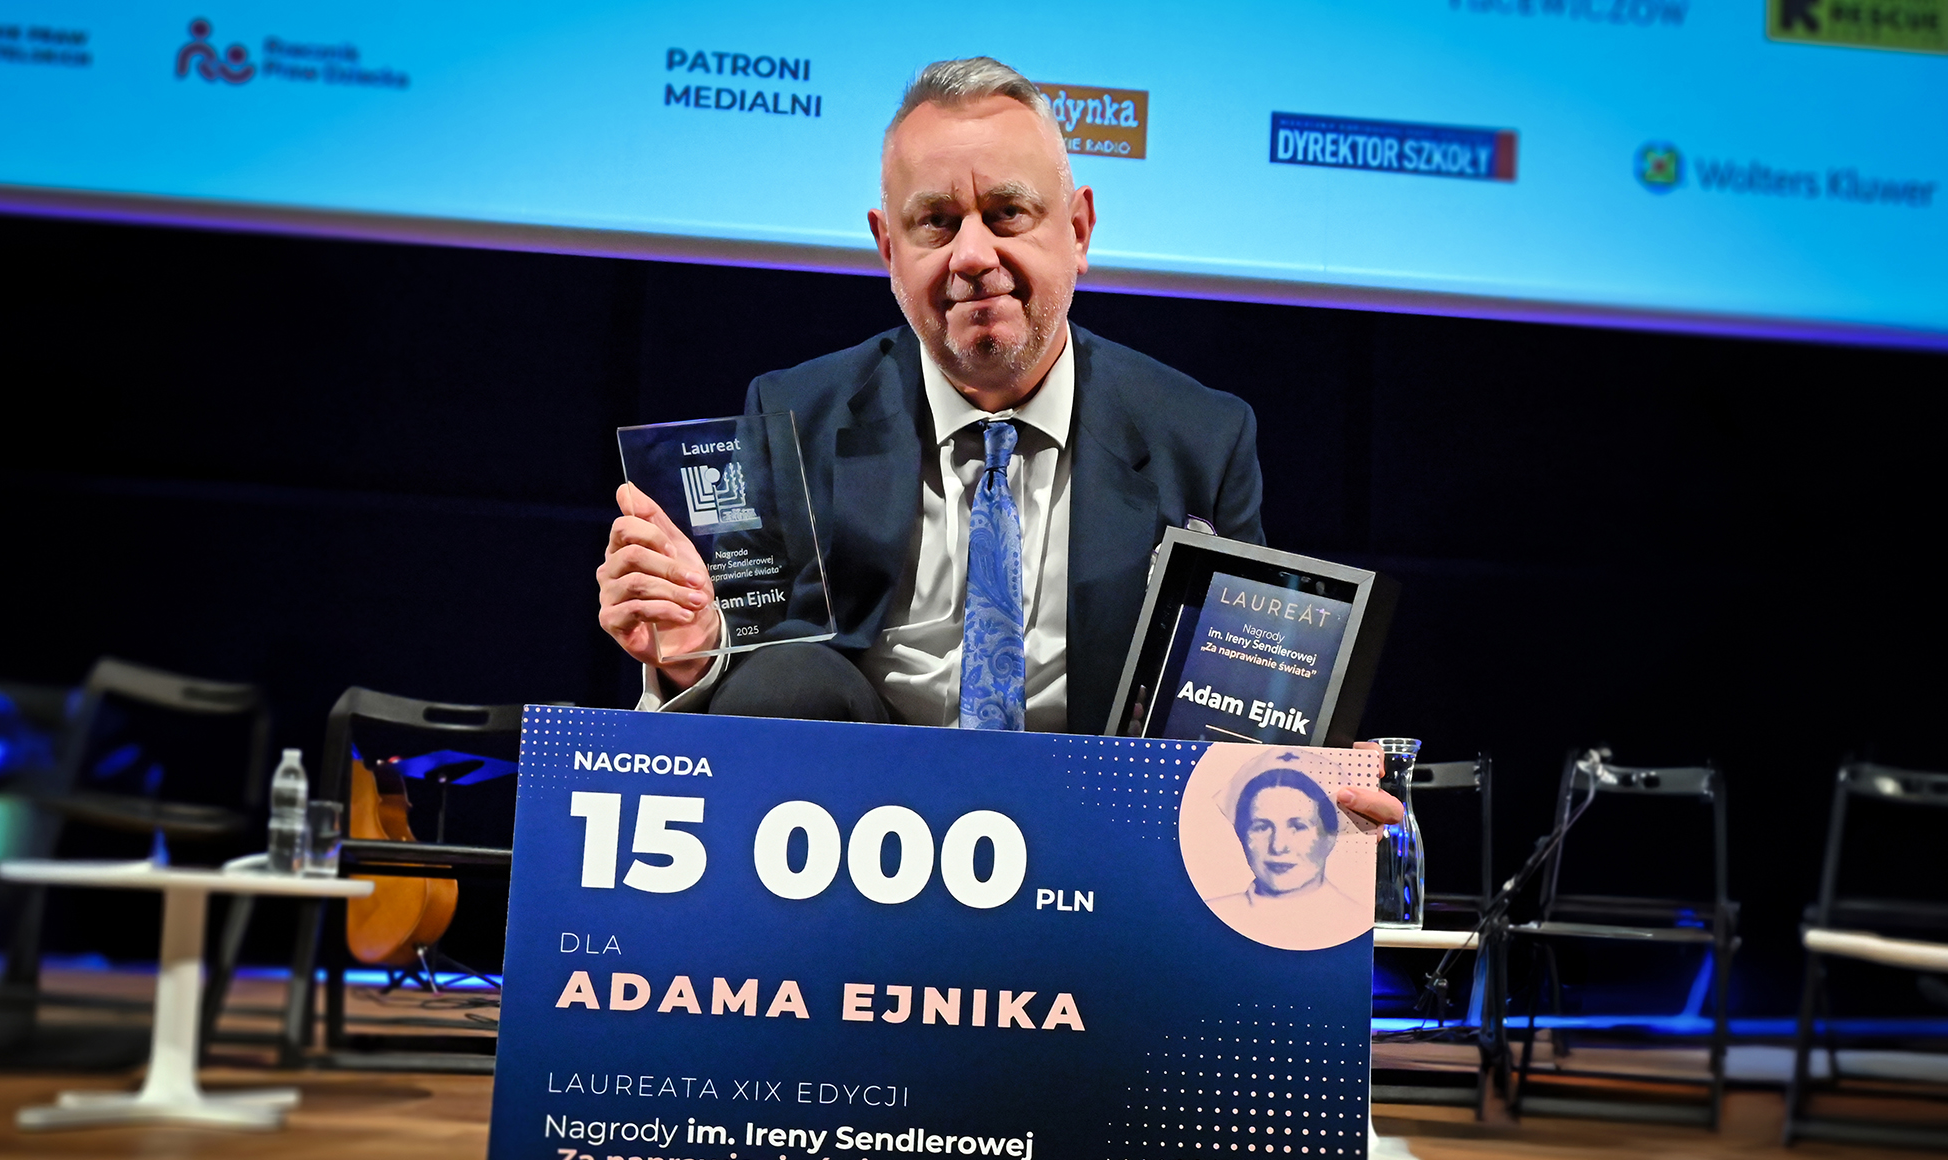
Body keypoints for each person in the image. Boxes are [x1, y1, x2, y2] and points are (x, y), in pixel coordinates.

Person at [596, 55, 1401, 831]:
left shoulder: (1200, 437)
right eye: (936, 222)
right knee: (786, 681)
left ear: (1078, 230)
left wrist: (1306, 775)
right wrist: (692, 650)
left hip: (1098, 829)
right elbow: (754, 682)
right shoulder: (797, 415)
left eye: (1008, 213)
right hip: (855, 826)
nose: (974, 256)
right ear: (888, 248)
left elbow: (1241, 700)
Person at [1205, 764, 1372, 951]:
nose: (1278, 846)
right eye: (1261, 827)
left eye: (1298, 827)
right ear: (1242, 836)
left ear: (1329, 838)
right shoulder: (1212, 916)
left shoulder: (1357, 919)